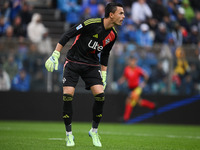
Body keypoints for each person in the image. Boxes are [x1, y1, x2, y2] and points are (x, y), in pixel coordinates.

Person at [45, 2, 125, 147]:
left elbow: (105, 54)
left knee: (100, 96)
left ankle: (94, 131)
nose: (123, 16)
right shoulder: (91, 23)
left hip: (92, 65)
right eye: (121, 13)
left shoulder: (113, 34)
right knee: (68, 95)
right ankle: (69, 135)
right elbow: (68, 34)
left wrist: (104, 75)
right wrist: (55, 53)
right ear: (111, 14)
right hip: (73, 62)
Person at [118, 56, 156, 122]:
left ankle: (126, 118)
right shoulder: (127, 69)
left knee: (128, 100)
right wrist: (121, 80)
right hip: (130, 88)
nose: (132, 62)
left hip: (137, 88)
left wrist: (143, 83)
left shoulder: (138, 69)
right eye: (131, 61)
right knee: (139, 102)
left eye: (133, 61)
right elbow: (125, 77)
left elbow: (146, 76)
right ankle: (153, 105)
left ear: (135, 62)